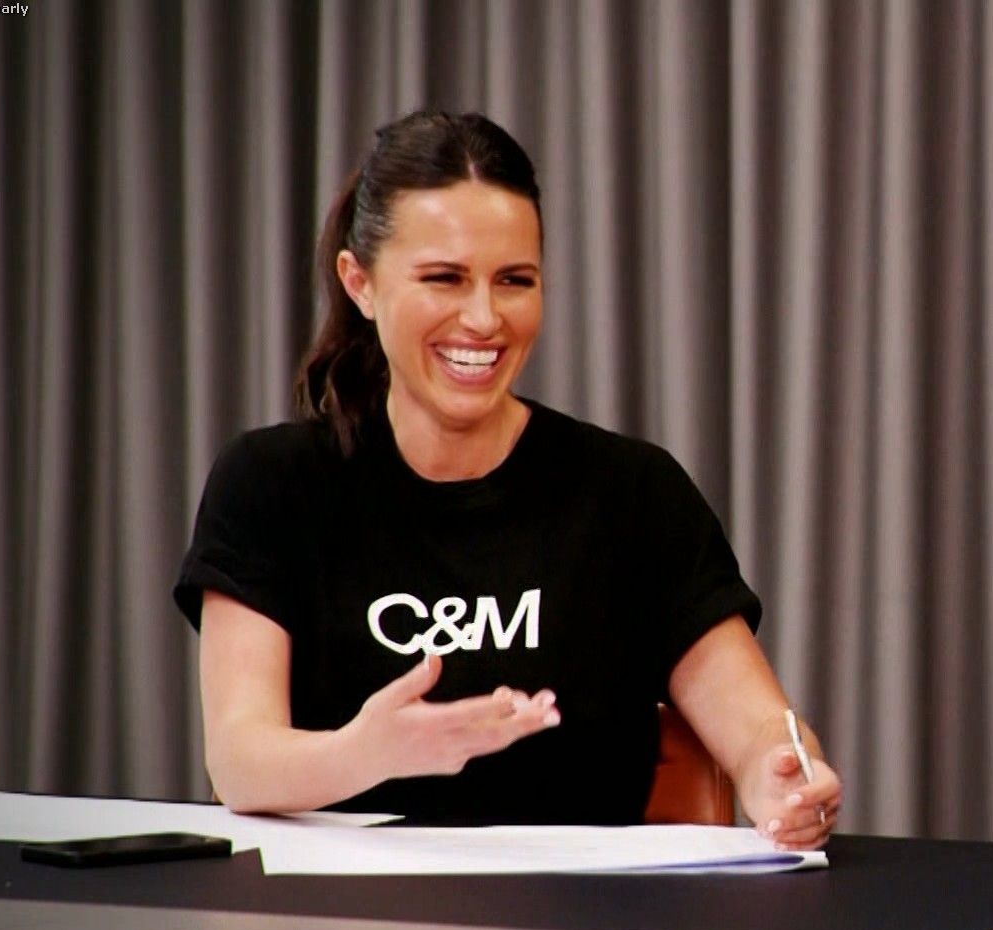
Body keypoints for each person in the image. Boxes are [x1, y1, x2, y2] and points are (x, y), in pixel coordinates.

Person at [174, 109, 839, 844]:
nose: (484, 319)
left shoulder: (633, 494)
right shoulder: (270, 485)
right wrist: (369, 752)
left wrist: (781, 772)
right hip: (333, 907)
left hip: (587, 912)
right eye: (445, 279)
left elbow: (758, 729)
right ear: (359, 283)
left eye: (514, 281)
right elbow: (240, 759)